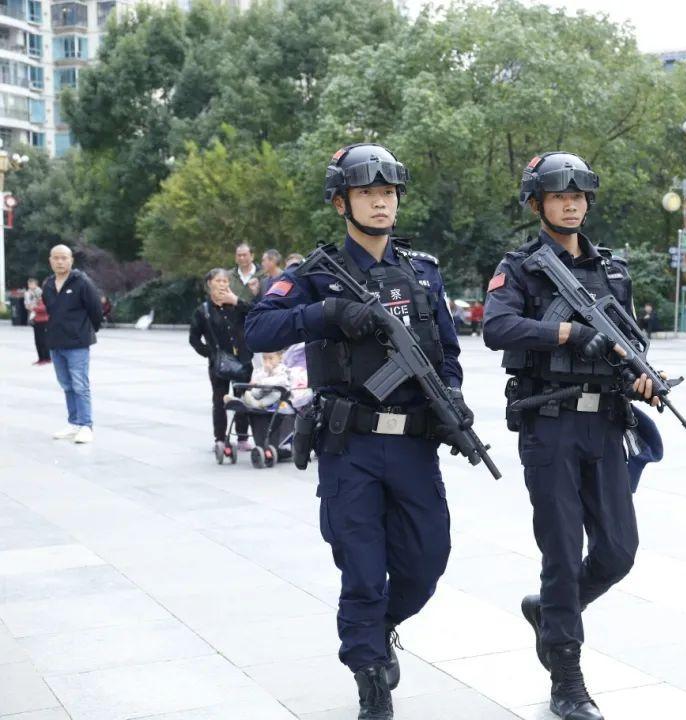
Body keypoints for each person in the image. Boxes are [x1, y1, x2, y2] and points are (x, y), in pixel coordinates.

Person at [245, 143, 463, 720]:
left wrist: (453, 396)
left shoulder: (422, 272)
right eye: (367, 192)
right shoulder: (318, 275)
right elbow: (257, 328)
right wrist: (328, 314)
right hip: (352, 445)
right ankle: (371, 681)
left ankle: (377, 629)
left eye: (388, 192)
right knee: (363, 571)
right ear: (342, 202)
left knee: (427, 560)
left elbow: (447, 350)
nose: (380, 202)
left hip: (414, 442)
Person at [483, 151, 658, 720]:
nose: (571, 205)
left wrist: (639, 378)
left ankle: (552, 612)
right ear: (538, 204)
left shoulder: (613, 270)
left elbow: (628, 343)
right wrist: (566, 333)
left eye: (578, 196)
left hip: (605, 423)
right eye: (559, 196)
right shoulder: (521, 267)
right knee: (561, 552)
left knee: (618, 552)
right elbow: (496, 326)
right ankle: (567, 679)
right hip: (550, 423)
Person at [188, 268, 254, 453]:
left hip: (242, 360)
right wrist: (210, 353)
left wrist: (236, 301)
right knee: (219, 401)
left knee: (243, 399)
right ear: (210, 284)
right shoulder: (203, 311)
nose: (222, 284)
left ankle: (242, 437)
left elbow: (256, 313)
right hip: (219, 364)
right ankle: (220, 439)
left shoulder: (237, 305)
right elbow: (194, 338)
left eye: (225, 281)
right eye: (218, 281)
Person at [42, 244, 103, 444]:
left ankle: (86, 425)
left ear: (71, 260)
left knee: (80, 385)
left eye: (64, 258)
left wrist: (85, 332)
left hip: (77, 344)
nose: (60, 261)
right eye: (56, 258)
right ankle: (74, 423)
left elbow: (96, 310)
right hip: (56, 342)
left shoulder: (82, 282)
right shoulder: (48, 284)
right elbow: (51, 312)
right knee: (66, 385)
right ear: (50, 260)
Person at [23, 278, 49, 365]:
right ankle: (41, 358)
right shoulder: (28, 293)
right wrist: (29, 306)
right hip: (36, 319)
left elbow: (45, 308)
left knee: (43, 340)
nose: (30, 286)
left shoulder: (42, 294)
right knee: (37, 341)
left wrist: (34, 308)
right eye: (29, 284)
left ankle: (46, 358)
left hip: (43, 320)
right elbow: (28, 303)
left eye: (32, 284)